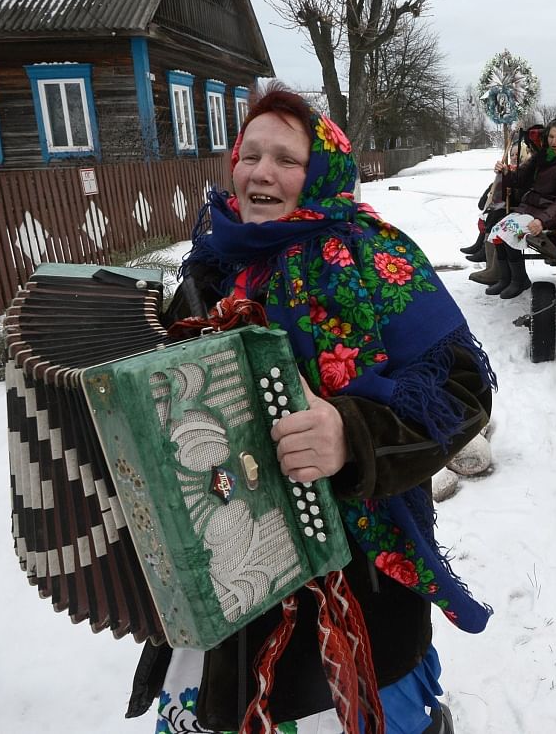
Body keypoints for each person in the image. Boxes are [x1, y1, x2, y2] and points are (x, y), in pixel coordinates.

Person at [135, 82, 496, 734]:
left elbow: (462, 389)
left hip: (353, 572)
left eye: (286, 159)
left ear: (322, 171)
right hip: (225, 564)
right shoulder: (211, 261)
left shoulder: (375, 258)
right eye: (250, 154)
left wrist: (350, 435)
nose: (261, 172)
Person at [486, 118, 556, 299]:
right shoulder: (542, 155)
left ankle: (519, 280)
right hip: (531, 207)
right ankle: (507, 277)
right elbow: (520, 179)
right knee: (497, 229)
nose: (554, 142)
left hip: (550, 213)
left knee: (509, 231)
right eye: (551, 137)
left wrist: (543, 220)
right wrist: (506, 172)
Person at [466, 126, 542, 287]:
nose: (514, 157)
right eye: (512, 155)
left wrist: (509, 183)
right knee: (491, 216)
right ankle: (494, 266)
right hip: (519, 206)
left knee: (498, 219)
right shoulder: (524, 167)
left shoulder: (531, 166)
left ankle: (499, 270)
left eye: (517, 155)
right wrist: (502, 178)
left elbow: (523, 190)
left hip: (525, 208)